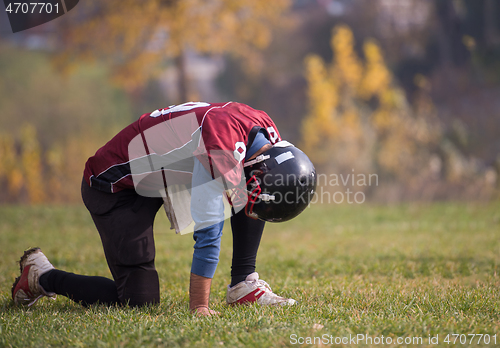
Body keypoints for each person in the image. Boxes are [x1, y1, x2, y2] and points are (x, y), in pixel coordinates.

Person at [12, 101, 316, 316]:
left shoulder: (265, 139)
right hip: (115, 186)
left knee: (250, 191)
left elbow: (250, 184)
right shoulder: (222, 144)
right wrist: (199, 306)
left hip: (162, 175)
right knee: (137, 301)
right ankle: (42, 276)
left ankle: (243, 284)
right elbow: (209, 232)